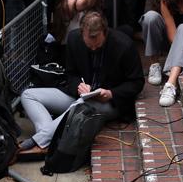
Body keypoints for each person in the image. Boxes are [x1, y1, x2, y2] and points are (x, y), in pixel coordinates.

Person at [18, 11, 144, 158]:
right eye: (89, 46)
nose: (93, 49)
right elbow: (70, 74)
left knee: (80, 104)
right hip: (80, 96)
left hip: (109, 102)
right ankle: (47, 139)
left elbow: (137, 82)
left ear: (105, 32)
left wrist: (111, 93)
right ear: (82, 33)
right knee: (27, 95)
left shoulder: (124, 45)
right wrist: (78, 86)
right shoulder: (74, 39)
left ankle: (38, 141)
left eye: (97, 46)